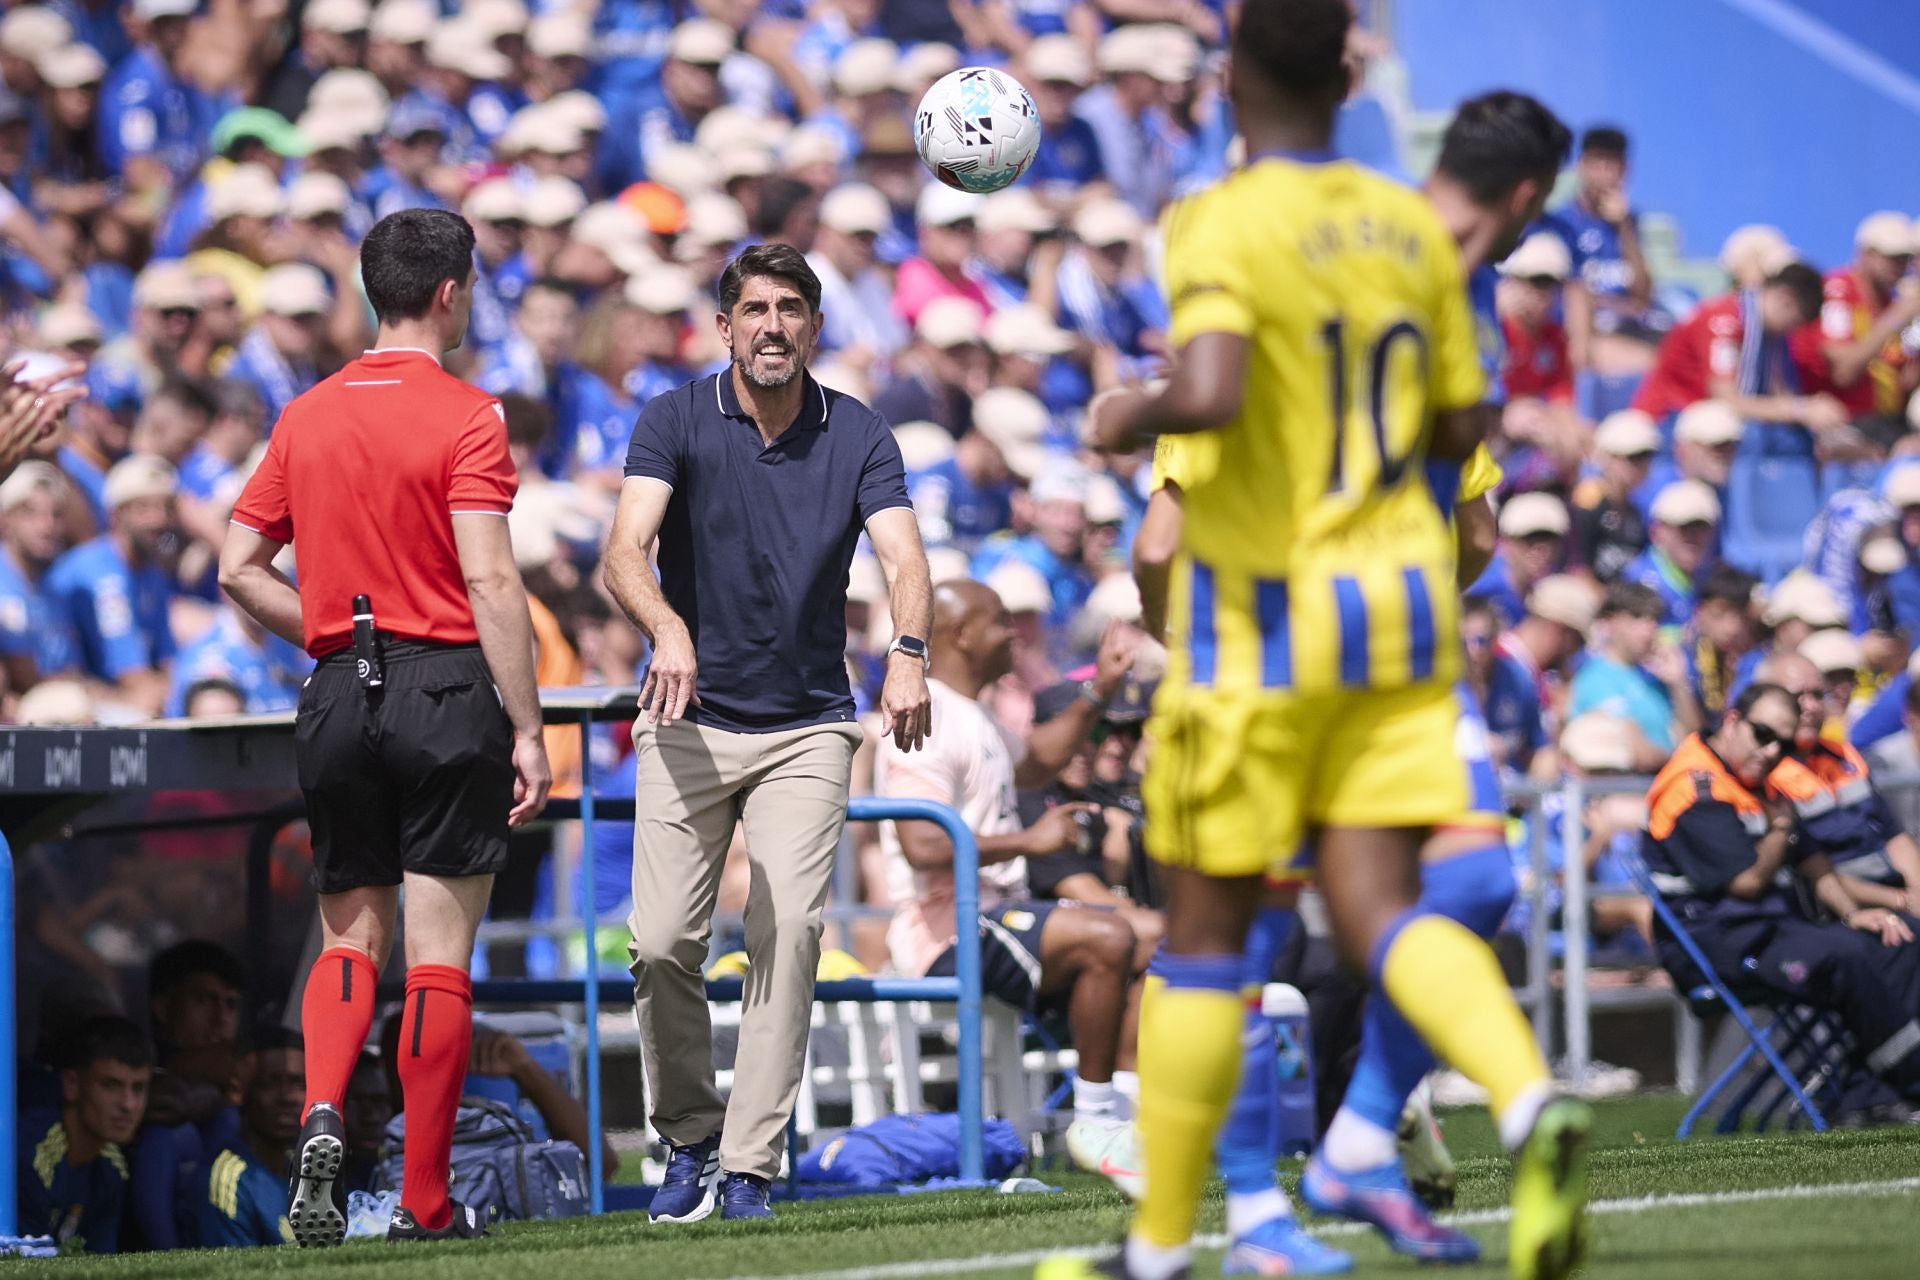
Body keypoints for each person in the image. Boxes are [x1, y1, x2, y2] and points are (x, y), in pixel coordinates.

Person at [1053, 6, 1587, 1276]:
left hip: (1261, 632)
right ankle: (1524, 1097)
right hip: (1399, 628)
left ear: (1228, 79)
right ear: (1351, 78)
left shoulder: (1222, 220)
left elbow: (1213, 397)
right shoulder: (1412, 230)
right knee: (1390, 905)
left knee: (1207, 943)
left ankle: (1168, 1245)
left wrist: (1123, 413)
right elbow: (1461, 435)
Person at [219, 207, 553, 1246]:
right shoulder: (468, 413)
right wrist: (530, 727)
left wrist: (327, 627)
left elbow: (237, 567)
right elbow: (490, 580)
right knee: (439, 957)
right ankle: (424, 1199)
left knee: (348, 935)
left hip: (336, 686)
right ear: (451, 293)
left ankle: (323, 1103)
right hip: (444, 684)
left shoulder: (306, 413)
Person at [602, 243, 933, 1225]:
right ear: (725, 327)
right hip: (687, 716)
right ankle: (689, 1136)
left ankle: (748, 1163)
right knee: (662, 943)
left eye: (791, 308)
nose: (773, 325)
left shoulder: (858, 429)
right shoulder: (674, 418)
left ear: (815, 328)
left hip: (809, 725)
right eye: (755, 309)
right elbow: (624, 551)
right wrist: (668, 629)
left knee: (788, 932)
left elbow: (906, 559)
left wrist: (908, 651)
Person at [878, 581, 1146, 1187]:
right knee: (1107, 936)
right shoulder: (924, 713)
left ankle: (1131, 1114)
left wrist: (1099, 690)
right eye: (1001, 621)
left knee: (1148, 942)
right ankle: (1096, 1119)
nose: (1013, 635)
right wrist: (1031, 841)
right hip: (943, 933)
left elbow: (1038, 761)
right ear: (962, 635)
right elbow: (923, 845)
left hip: (992, 918)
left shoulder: (973, 713)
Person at [1643, 683, 1920, 1103]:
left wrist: (1853, 914)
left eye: (1785, 745)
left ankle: (1883, 1087)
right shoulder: (1693, 788)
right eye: (1764, 735)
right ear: (1732, 721)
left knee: (1896, 938)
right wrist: (1780, 828)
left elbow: (1813, 860)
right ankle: (1884, 1092)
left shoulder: (1756, 778)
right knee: (1846, 955)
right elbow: (1747, 883)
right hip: (1718, 943)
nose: (1772, 751)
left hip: (1773, 930)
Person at [1759, 653, 1920, 905]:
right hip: (1837, 907)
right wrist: (1901, 901)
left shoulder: (1844, 756)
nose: (1811, 706)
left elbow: (1894, 835)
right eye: (1797, 696)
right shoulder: (1762, 773)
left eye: (1817, 695)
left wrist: (1917, 891)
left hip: (1896, 891)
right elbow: (1810, 872)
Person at [17, 1014, 152, 1255]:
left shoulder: (112, 1165)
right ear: (72, 1084)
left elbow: (100, 1258)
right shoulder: (33, 1156)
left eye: (138, 1088)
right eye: (111, 1085)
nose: (128, 1104)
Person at [1535, 126, 1658, 374]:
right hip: (1578, 335)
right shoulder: (1560, 223)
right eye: (1597, 162)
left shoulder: (1629, 223)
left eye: (1612, 165)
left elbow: (1643, 296)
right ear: (1582, 165)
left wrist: (1624, 228)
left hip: (1627, 330)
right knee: (1655, 366)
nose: (1604, 172)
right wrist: (1615, 304)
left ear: (1624, 171)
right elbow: (1564, 295)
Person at [1569, 581, 1700, 769]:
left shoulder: (1655, 681)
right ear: (1610, 621)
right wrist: (1680, 760)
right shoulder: (1594, 678)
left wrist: (1678, 682)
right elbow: (1639, 755)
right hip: (1621, 785)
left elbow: (1692, 737)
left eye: (1654, 619)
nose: (1649, 629)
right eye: (1637, 617)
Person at [195, 1026, 305, 1249]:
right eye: (270, 1083)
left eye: (298, 1083)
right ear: (239, 1091)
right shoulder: (229, 1181)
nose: (287, 1097)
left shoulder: (305, 1167)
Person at [1568, 409, 1658, 582]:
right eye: (1632, 457)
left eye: (1646, 456)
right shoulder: (1588, 503)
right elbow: (1579, 568)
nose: (1641, 465)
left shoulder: (1635, 511)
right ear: (1608, 457)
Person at [1622, 480, 1723, 630]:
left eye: (1701, 527)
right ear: (1656, 532)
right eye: (1683, 528)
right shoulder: (1640, 582)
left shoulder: (1712, 580)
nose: (1692, 537)